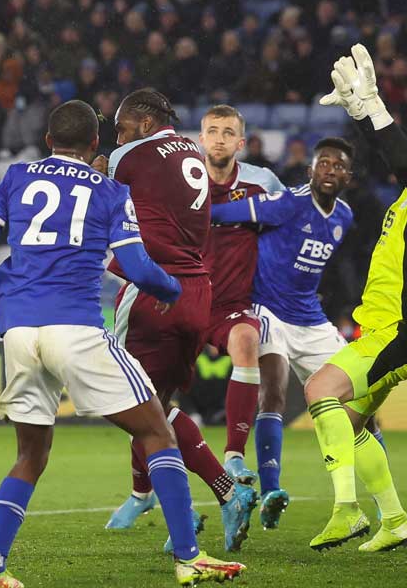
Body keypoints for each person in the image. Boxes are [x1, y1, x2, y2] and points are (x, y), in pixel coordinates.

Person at [0, 100, 245, 587]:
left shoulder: (15, 178)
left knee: (30, 455)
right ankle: (190, 556)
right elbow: (135, 267)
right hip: (75, 328)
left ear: (49, 140)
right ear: (96, 145)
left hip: (20, 332)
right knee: (157, 429)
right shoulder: (111, 192)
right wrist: (172, 289)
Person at [305, 44, 407, 552]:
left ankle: (347, 512)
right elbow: (397, 160)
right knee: (350, 424)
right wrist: (358, 115)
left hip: (401, 333)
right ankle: (395, 521)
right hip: (385, 329)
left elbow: (403, 164)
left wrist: (374, 106)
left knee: (318, 390)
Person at [97, 88, 256, 554]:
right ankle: (176, 507)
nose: (117, 136)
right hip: (197, 291)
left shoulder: (134, 152)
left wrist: (100, 165)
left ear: (144, 124)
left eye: (122, 127)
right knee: (156, 403)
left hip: (155, 290)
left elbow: (91, 181)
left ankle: (222, 491)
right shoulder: (190, 149)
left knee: (128, 401)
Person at [209, 137, 355, 528]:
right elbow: (224, 213)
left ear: (348, 177)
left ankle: (387, 508)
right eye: (322, 163)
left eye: (337, 166)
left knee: (362, 401)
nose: (329, 170)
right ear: (311, 170)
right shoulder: (290, 202)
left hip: (311, 318)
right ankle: (272, 489)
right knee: (272, 390)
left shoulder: (344, 217)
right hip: (267, 309)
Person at [199, 105, 284, 484]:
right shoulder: (183, 179)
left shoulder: (262, 182)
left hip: (231, 305)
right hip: (182, 299)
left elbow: (286, 222)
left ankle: (234, 455)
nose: (219, 138)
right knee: (156, 390)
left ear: (241, 142)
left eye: (227, 132)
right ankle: (142, 489)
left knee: (247, 339)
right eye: (213, 131)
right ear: (200, 139)